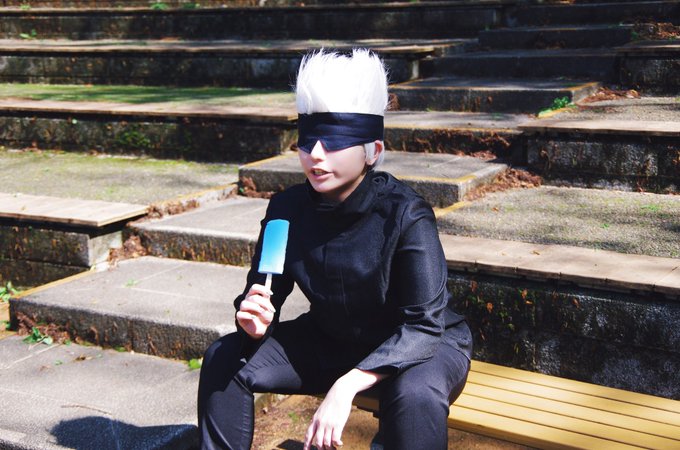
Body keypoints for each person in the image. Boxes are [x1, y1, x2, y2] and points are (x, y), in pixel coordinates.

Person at [197, 49, 473, 450]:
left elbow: (423, 326)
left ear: (373, 150)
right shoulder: (286, 209)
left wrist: (347, 385)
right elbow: (262, 293)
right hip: (333, 339)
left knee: (414, 395)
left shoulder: (406, 214)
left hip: (421, 346)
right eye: (308, 140)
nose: (316, 154)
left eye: (335, 141)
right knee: (224, 357)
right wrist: (254, 320)